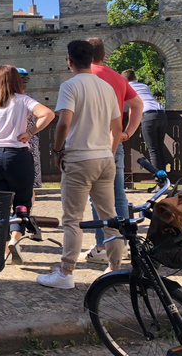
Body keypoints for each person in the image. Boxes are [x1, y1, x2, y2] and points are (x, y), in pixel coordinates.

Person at [36, 41, 124, 289]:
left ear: (69, 60)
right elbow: (116, 127)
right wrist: (111, 150)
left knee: (72, 219)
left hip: (79, 158)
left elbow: (64, 122)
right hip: (105, 157)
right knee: (110, 217)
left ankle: (66, 273)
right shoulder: (106, 87)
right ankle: (115, 270)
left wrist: (57, 149)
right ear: (94, 59)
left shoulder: (70, 86)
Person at [0, 66, 54, 264]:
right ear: (16, 81)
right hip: (17, 156)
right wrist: (31, 132)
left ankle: (1, 250)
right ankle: (15, 240)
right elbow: (48, 114)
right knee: (22, 203)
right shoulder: (23, 101)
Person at [85, 37, 143, 266]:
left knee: (96, 198)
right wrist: (127, 133)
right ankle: (123, 244)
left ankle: (101, 247)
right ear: (104, 55)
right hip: (115, 142)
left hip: (92, 144)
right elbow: (138, 105)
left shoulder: (86, 75)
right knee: (118, 195)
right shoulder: (118, 78)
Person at [122, 69, 169, 172]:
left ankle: (159, 183)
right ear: (135, 78)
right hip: (161, 113)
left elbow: (124, 108)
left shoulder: (125, 87)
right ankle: (165, 179)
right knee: (159, 148)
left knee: (153, 150)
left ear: (123, 80)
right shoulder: (144, 86)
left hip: (147, 116)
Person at [16, 68, 43, 189]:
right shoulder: (31, 100)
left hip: (17, 141)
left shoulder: (8, 101)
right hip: (30, 139)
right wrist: (31, 132)